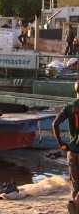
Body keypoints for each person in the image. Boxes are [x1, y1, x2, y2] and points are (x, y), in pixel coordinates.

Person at [53, 81, 79, 213]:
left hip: (73, 151)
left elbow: (55, 124)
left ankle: (75, 205)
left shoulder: (69, 107)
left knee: (75, 185)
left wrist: (61, 143)